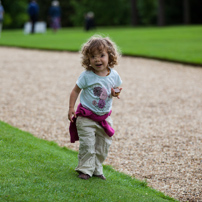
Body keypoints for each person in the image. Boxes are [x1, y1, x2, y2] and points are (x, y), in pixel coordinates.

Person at [68, 35, 122, 180]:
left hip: (104, 117)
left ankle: (97, 168)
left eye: (102, 55)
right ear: (88, 60)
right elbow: (75, 91)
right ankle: (85, 169)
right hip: (86, 117)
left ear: (110, 56)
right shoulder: (87, 76)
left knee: (103, 146)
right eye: (93, 56)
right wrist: (71, 107)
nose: (97, 59)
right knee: (88, 145)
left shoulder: (114, 75)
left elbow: (116, 88)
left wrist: (115, 92)